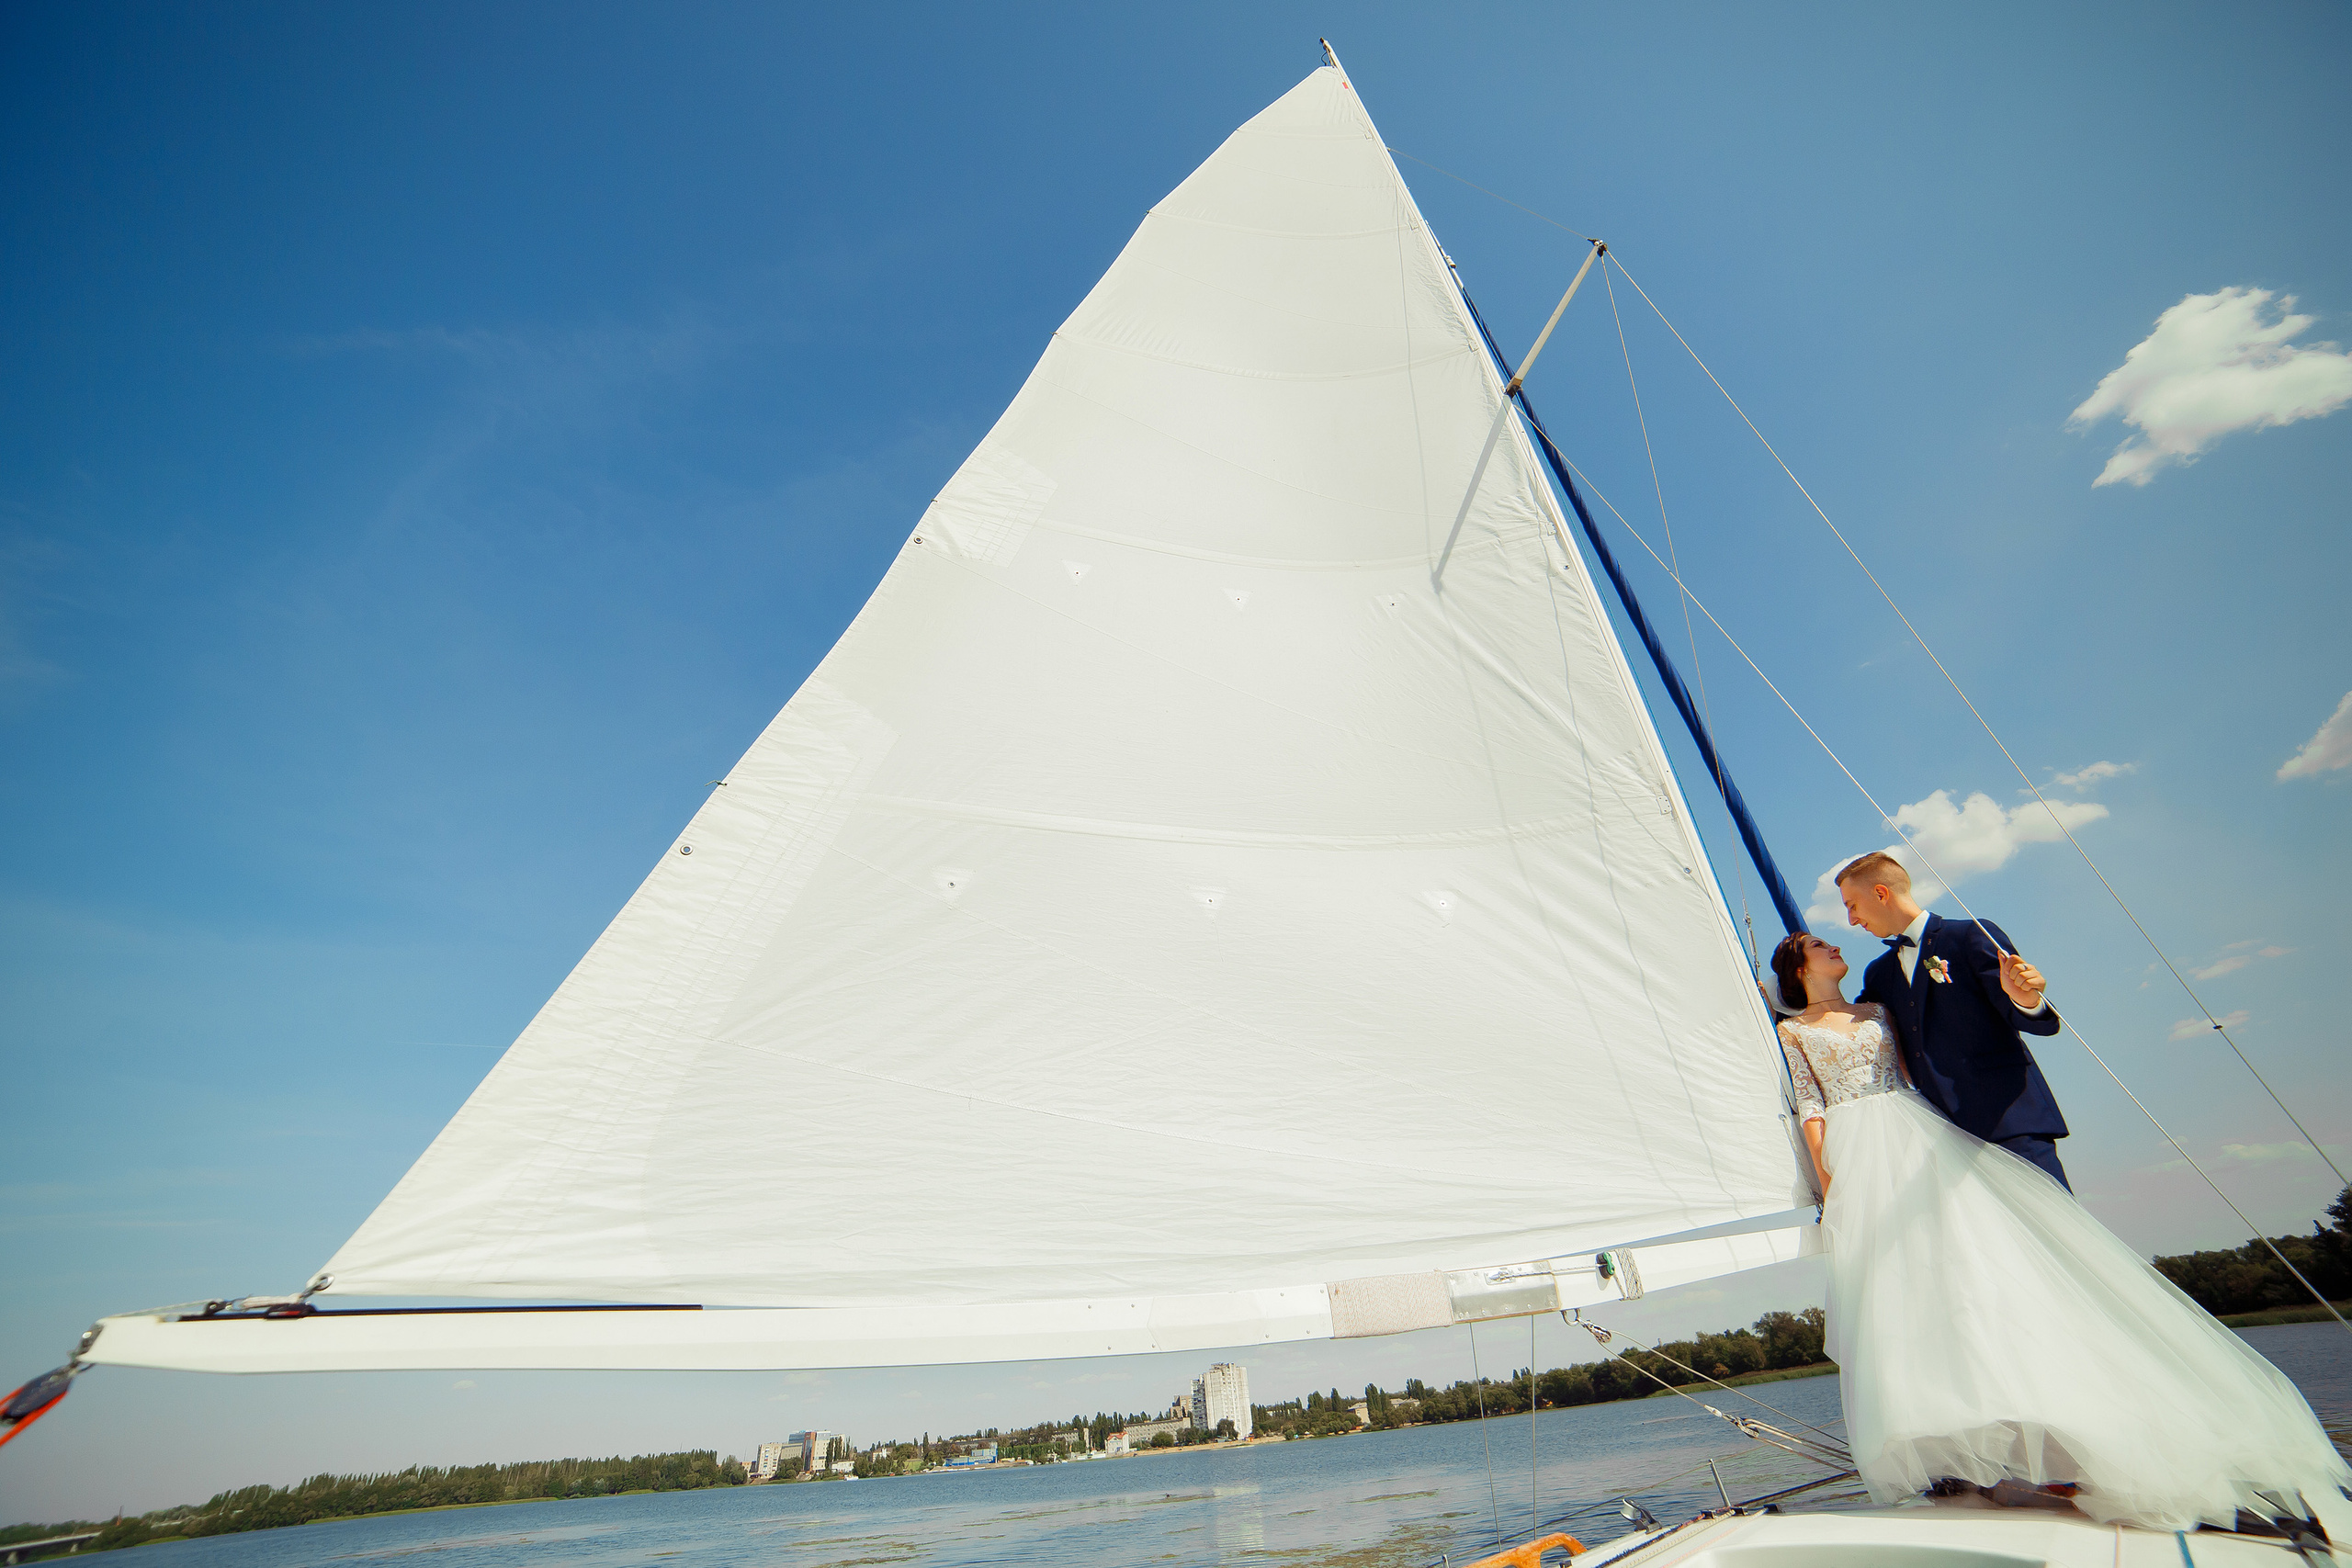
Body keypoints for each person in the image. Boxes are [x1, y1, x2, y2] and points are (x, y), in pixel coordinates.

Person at [1768, 930, 2351, 1532]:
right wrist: (1832, 1188)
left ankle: (2061, 1439)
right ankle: (1961, 1452)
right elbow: (1810, 1105)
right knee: (1904, 1291)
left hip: (1914, 1128)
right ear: (1797, 964)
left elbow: (1923, 1073)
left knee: (1978, 1266)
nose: (1834, 945)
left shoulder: (1877, 1008)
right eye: (1818, 944)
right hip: (1856, 1153)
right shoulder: (1791, 1031)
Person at [1836, 852, 2071, 1188]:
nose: (1851, 919)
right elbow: (1848, 1029)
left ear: (1881, 893)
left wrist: (2027, 1000)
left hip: (2012, 1123)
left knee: (2057, 1228)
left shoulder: (1971, 936)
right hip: (1942, 1142)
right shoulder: (1879, 974)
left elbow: (2041, 1023)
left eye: (1852, 905)